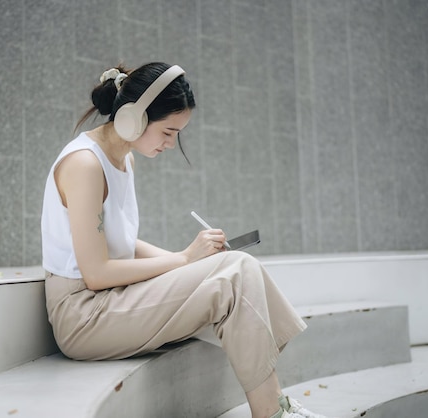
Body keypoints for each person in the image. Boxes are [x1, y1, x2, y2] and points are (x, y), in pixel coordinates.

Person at [41, 62, 327, 418]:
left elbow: (122, 242)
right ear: (134, 118)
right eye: (168, 131)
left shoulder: (122, 159)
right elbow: (96, 273)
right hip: (84, 316)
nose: (171, 144)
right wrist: (184, 260)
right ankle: (273, 412)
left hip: (110, 301)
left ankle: (275, 406)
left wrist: (192, 259)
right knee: (234, 273)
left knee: (235, 266)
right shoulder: (85, 164)